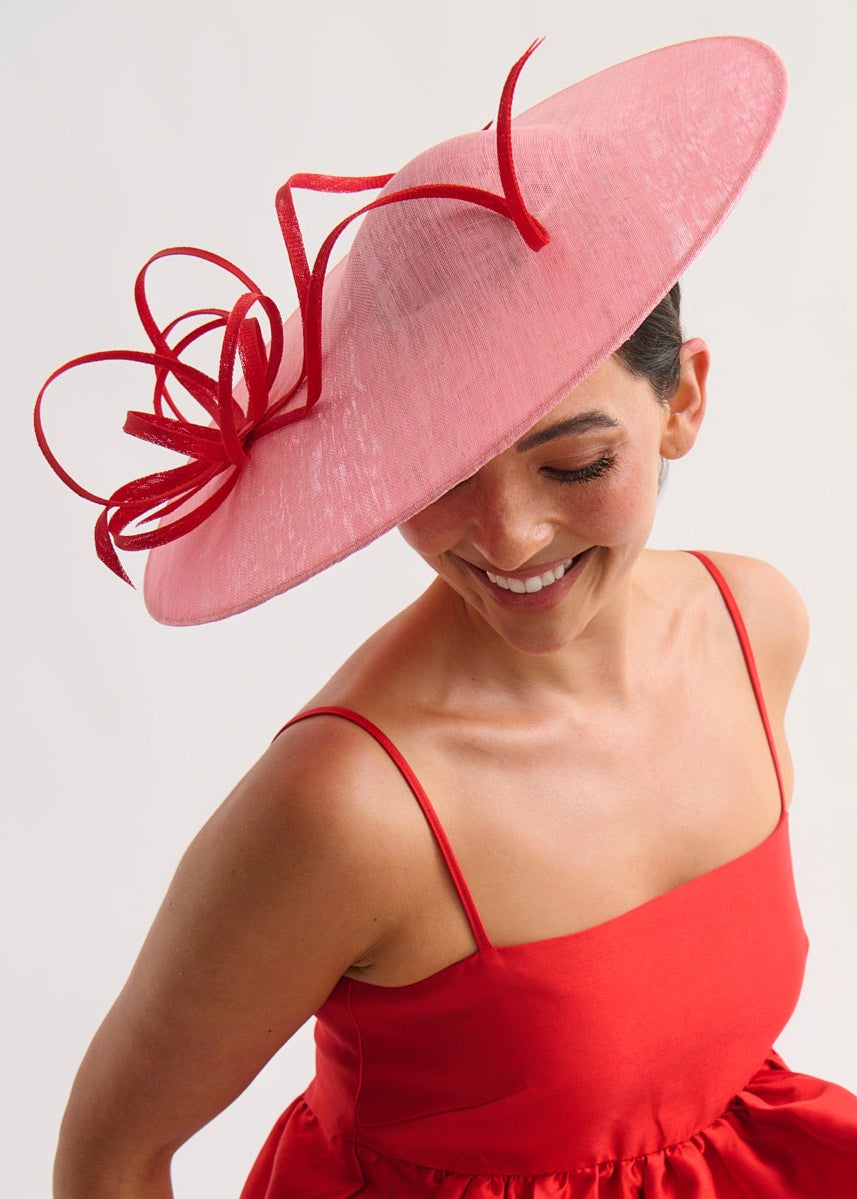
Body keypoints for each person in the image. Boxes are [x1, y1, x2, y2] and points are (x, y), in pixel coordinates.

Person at [38, 35, 857, 1199]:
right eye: (437, 477)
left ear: (681, 400)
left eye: (573, 463)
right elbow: (110, 1153)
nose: (508, 535)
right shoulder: (344, 809)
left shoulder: (754, 624)